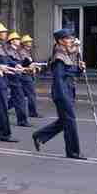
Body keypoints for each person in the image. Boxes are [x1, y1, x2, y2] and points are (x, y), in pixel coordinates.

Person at [32, 29, 87, 160]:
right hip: (62, 92)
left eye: (71, 38)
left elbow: (69, 73)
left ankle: (39, 136)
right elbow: (59, 77)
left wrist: (79, 69)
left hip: (67, 90)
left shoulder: (65, 54)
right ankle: (73, 151)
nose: (71, 40)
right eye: (68, 38)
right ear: (61, 41)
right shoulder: (59, 56)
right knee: (70, 121)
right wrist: (64, 97)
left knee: (65, 121)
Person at [5, 32, 32, 127]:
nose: (19, 41)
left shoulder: (17, 50)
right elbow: (9, 61)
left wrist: (28, 63)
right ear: (12, 41)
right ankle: (22, 120)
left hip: (17, 77)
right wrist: (17, 64)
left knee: (13, 100)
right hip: (12, 78)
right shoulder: (9, 51)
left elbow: (20, 63)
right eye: (17, 39)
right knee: (19, 99)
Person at [19, 35, 40, 118]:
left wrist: (35, 66)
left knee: (17, 97)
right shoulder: (22, 52)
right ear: (24, 43)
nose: (30, 43)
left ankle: (2, 109)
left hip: (29, 75)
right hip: (25, 76)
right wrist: (30, 67)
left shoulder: (28, 52)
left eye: (30, 41)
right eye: (29, 41)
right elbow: (21, 64)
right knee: (31, 94)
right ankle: (33, 112)